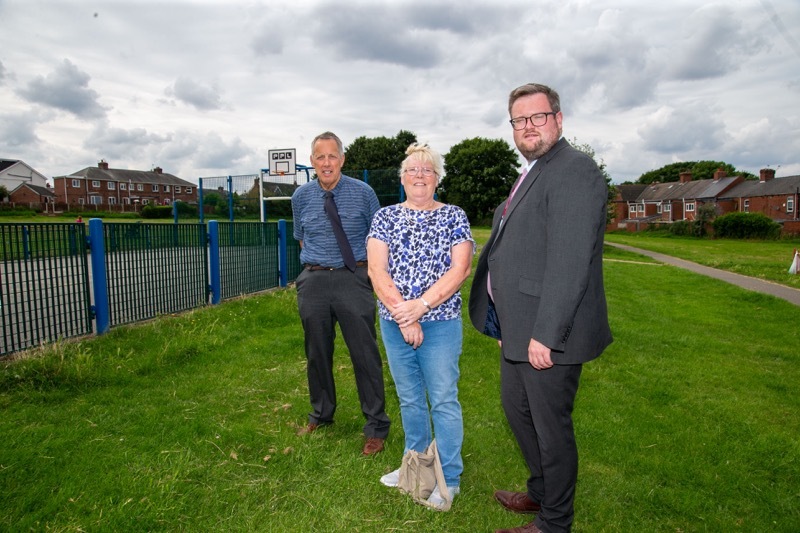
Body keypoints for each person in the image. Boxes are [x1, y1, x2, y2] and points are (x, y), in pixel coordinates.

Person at [469, 83, 613, 533]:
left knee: (550, 428)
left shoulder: (573, 170)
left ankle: (555, 522)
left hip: (549, 333)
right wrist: (503, 321)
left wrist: (546, 334)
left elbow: (570, 261)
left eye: (538, 117)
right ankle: (540, 492)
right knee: (518, 412)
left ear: (558, 118)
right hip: (518, 327)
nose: (528, 127)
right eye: (519, 120)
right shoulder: (534, 170)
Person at [367, 143, 474, 509]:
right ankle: (414, 466)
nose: (419, 176)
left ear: (437, 179)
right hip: (395, 323)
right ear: (402, 178)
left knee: (443, 399)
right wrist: (404, 314)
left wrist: (422, 306)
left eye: (427, 170)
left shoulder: (454, 216)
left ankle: (449, 478)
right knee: (410, 398)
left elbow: (460, 270)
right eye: (412, 170)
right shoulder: (384, 216)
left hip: (441, 323)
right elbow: (376, 271)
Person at [291, 131, 390, 456]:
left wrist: (366, 276)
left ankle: (375, 426)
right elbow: (302, 240)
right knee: (317, 353)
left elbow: (378, 240)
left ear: (343, 159)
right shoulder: (301, 197)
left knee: (364, 354)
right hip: (315, 281)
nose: (326, 162)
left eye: (332, 156)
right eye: (320, 157)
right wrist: (313, 274)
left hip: (353, 279)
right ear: (312, 162)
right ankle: (321, 414)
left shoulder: (364, 194)